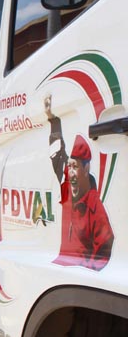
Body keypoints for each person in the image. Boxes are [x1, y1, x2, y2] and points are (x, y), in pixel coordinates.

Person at [45, 96, 114, 270]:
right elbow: (57, 155)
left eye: (75, 167)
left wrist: (88, 269)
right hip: (59, 270)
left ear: (86, 168)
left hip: (77, 279)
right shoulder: (67, 187)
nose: (71, 173)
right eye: (70, 166)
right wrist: (53, 121)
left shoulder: (94, 205)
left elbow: (106, 241)